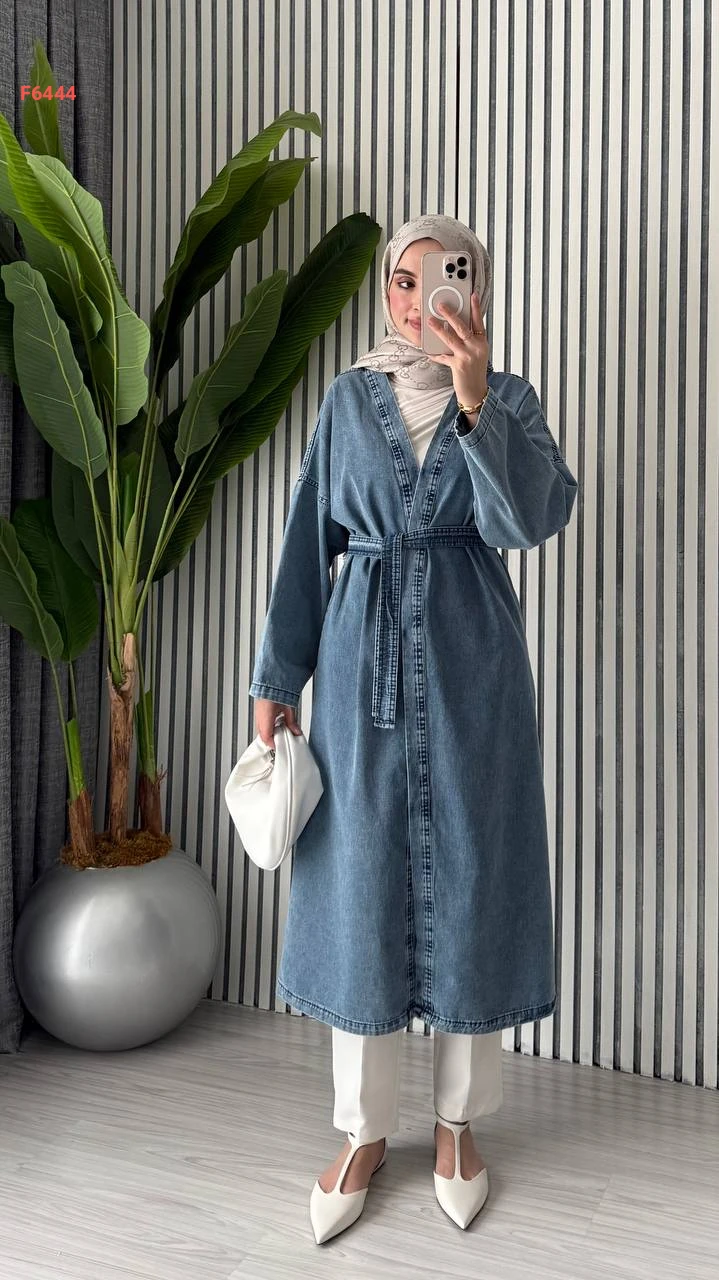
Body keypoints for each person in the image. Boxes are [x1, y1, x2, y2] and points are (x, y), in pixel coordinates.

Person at [249, 214, 579, 1244]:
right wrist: (277, 677)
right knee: (357, 880)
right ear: (386, 292)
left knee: (473, 875)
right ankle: (360, 1133)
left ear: (475, 287)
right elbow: (309, 539)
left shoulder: (508, 399)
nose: (415, 296)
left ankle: (455, 1128)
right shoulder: (347, 400)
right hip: (358, 669)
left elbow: (530, 520)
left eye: (441, 276)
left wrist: (476, 401)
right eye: (401, 279)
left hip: (474, 669)